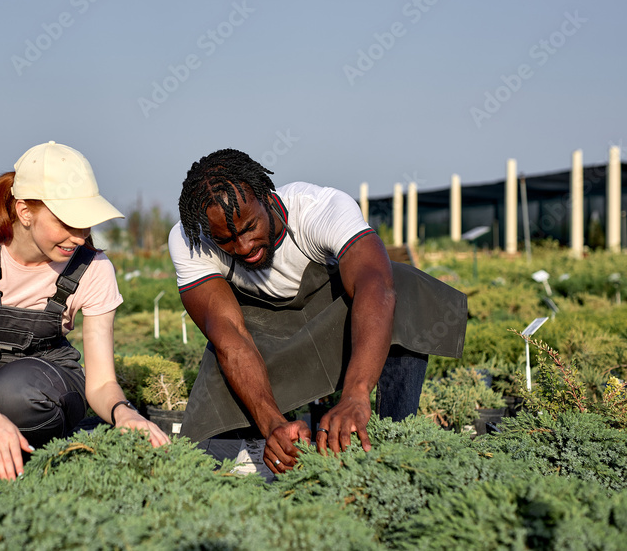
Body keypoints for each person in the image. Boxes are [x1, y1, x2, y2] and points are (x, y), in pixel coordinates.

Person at [168, 149, 467, 477]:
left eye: (249, 227)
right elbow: (230, 335)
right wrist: (272, 426)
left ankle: (395, 440)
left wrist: (355, 394)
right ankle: (258, 447)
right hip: (261, 337)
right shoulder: (190, 240)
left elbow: (374, 287)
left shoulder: (319, 209)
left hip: (333, 323)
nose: (242, 247)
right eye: (225, 240)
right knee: (209, 455)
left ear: (267, 198)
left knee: (400, 287)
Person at [0, 141, 168, 495]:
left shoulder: (93, 269)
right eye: (67, 223)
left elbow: (99, 383)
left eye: (86, 224)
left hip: (44, 384)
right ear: (24, 211)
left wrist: (123, 413)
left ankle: (36, 460)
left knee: (13, 393)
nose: (79, 237)